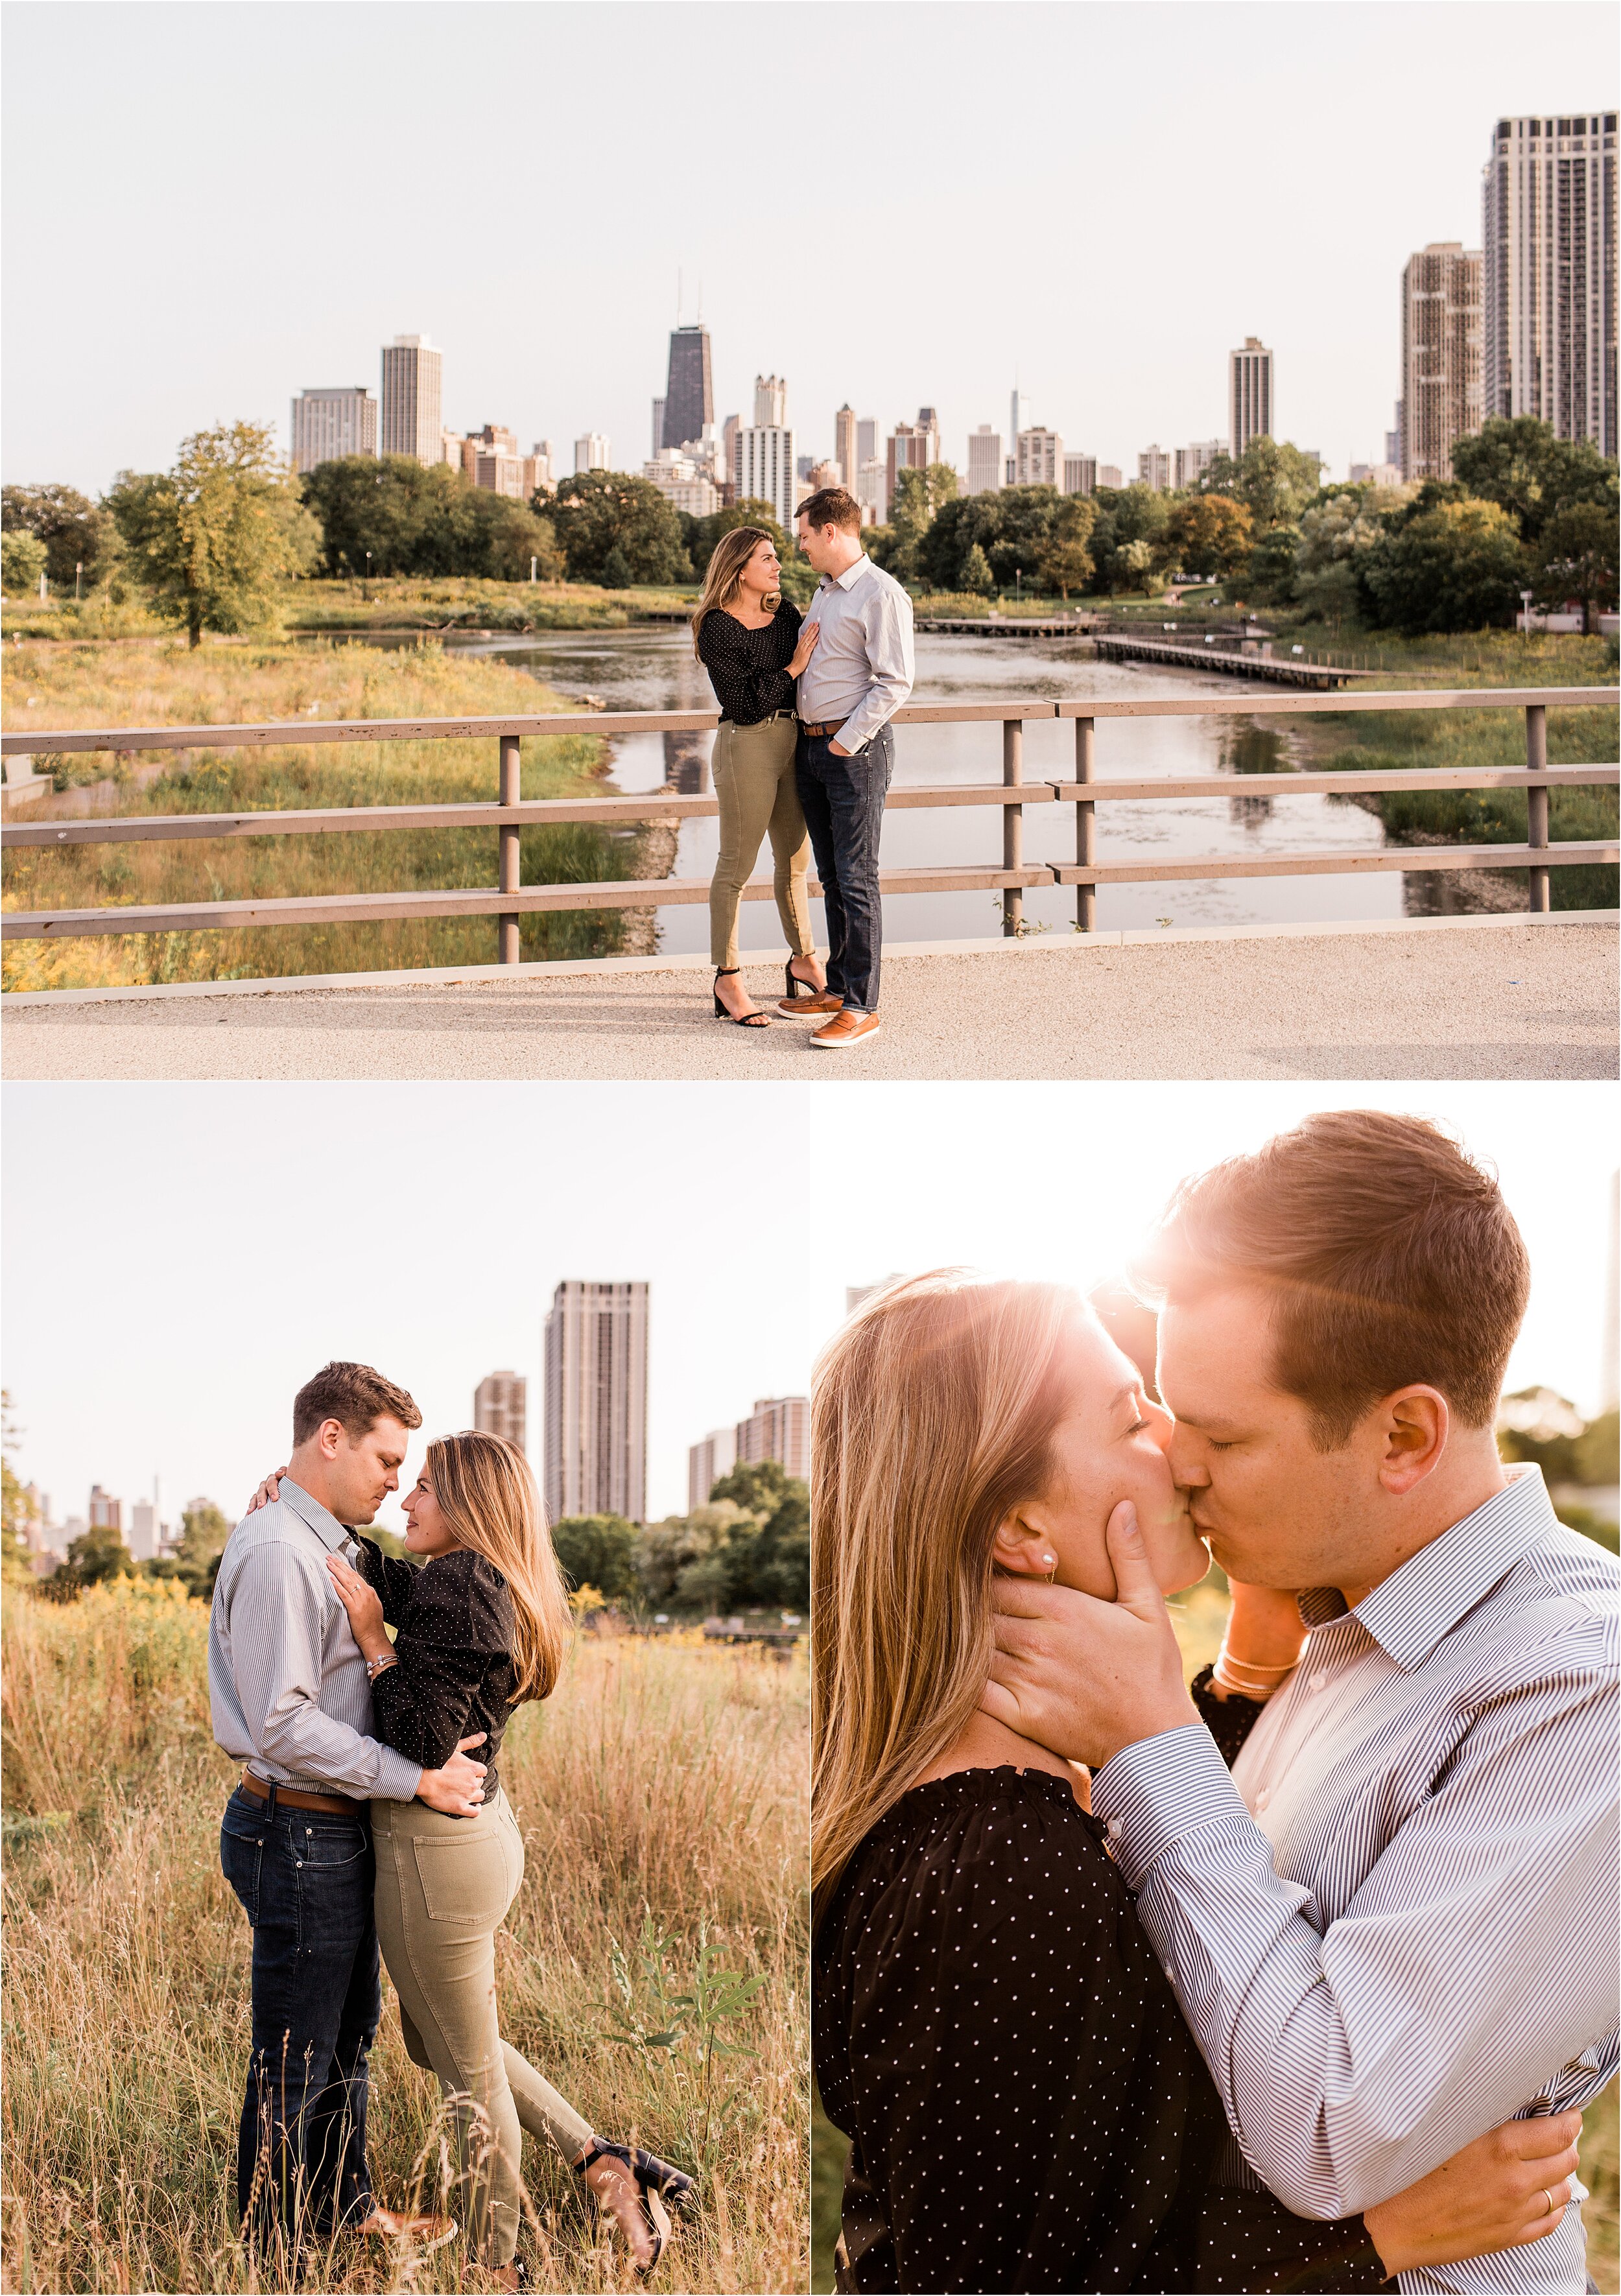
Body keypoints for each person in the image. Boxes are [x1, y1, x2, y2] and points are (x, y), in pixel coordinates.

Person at [812, 1272, 1586, 2295]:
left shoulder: (1017, 1807)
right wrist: (1374, 2242)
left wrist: (1236, 1684)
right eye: (1133, 1416)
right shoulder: (1000, 1874)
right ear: (1021, 1530)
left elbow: (1117, 2113)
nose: (1177, 1447)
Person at [983, 1112, 1619, 2293]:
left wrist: (1151, 1744)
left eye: (1223, 1434)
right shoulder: (1334, 1628)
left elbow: (1331, 2124)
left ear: (1406, 1436)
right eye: (1172, 1415)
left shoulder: (1583, 1690)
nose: (1177, 1464)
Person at [238, 1390, 694, 2288]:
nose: (406, 1498)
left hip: (432, 1852)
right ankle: (609, 2160)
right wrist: (302, 1505)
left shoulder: (464, 1588)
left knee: (465, 2072)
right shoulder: (470, 1578)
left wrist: (374, 1641)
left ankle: (501, 2264)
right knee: (447, 2041)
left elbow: (415, 1735)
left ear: (468, 1506)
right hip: (465, 1845)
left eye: (425, 1489)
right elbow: (387, 1573)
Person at [210, 1361, 486, 2268]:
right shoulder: (279, 1549)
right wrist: (416, 1781)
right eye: (386, 1458)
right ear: (332, 1436)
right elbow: (282, 1723)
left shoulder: (316, 1534)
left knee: (346, 2034)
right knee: (295, 2052)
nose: (398, 1483)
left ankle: (346, 2209)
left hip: (331, 1826)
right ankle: (274, 2254)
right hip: (297, 1823)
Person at [787, 486, 914, 1050]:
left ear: (832, 532)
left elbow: (895, 682)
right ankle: (838, 986)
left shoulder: (880, 594)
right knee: (834, 875)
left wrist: (844, 742)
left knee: (858, 876)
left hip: (852, 752)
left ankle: (862, 1007)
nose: (802, 549)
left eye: (806, 537)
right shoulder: (824, 593)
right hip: (813, 750)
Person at [692, 525, 827, 1026]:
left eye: (776, 558)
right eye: (767, 559)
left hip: (795, 741)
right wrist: (792, 669)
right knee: (736, 866)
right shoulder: (717, 626)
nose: (778, 567)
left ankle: (804, 959)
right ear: (740, 568)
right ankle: (728, 977)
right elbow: (744, 704)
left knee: (795, 859)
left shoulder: (784, 612)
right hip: (746, 745)